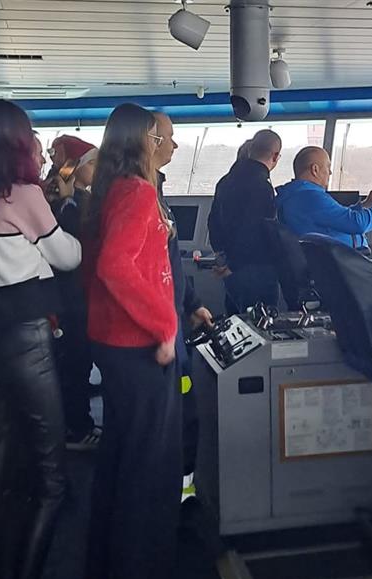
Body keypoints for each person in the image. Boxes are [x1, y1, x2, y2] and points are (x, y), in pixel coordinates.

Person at [0, 99, 82, 579]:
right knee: (51, 476)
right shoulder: (22, 193)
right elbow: (68, 256)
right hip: (25, 341)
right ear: (17, 141)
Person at [82, 103, 180, 579]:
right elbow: (115, 266)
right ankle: (138, 578)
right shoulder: (138, 193)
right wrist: (165, 326)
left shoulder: (110, 189)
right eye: (156, 136)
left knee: (120, 456)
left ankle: (105, 569)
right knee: (148, 466)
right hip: (138, 345)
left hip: (112, 342)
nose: (162, 144)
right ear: (141, 140)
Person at [152, 111, 213, 501]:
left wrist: (191, 303)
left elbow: (171, 265)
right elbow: (128, 275)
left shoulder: (155, 193)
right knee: (174, 417)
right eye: (169, 136)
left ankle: (181, 491)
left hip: (173, 324)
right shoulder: (139, 197)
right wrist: (164, 331)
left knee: (184, 410)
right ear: (150, 141)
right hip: (162, 334)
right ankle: (174, 498)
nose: (175, 144)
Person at [47, 137, 102, 450]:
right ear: (75, 167)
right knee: (73, 363)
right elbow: (69, 243)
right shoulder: (62, 202)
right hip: (69, 297)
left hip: (80, 295)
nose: (97, 168)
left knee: (79, 362)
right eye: (92, 163)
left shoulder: (82, 199)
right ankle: (76, 429)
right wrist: (67, 200)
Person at [276, 146, 372, 278]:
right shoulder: (311, 198)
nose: (330, 172)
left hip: (331, 264)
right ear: (315, 169)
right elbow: (358, 224)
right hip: (342, 267)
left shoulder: (295, 196)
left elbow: (340, 216)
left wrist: (366, 204)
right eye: (327, 167)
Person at [208, 130, 282, 313]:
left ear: (251, 150)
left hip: (230, 268)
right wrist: (235, 265)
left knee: (236, 320)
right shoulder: (262, 186)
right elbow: (253, 230)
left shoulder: (225, 181)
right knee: (260, 323)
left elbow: (213, 222)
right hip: (255, 269)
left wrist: (222, 258)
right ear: (275, 156)